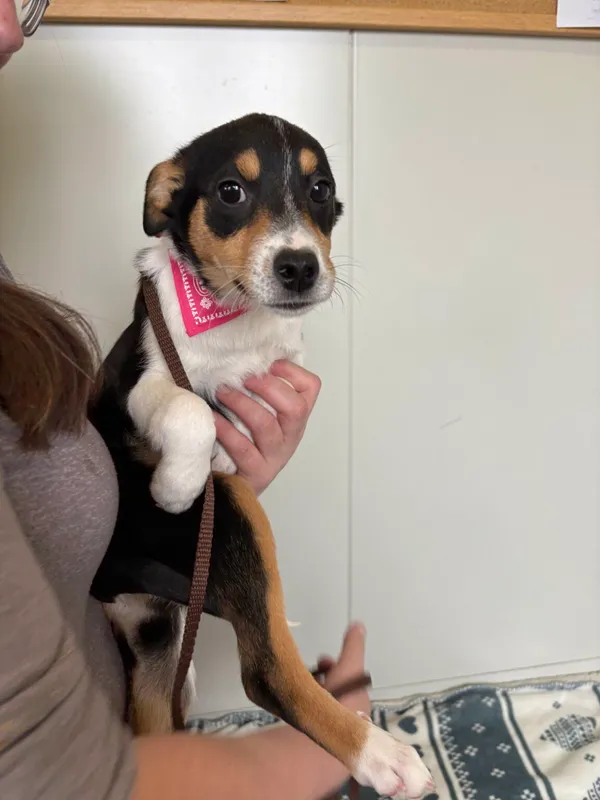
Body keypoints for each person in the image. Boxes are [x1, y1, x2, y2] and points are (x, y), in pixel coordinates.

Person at [0, 2, 371, 799]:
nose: (12, 26)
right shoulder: (159, 316)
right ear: (171, 202)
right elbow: (55, 774)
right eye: (233, 193)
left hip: (140, 698)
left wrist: (222, 477)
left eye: (28, 2)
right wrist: (331, 741)